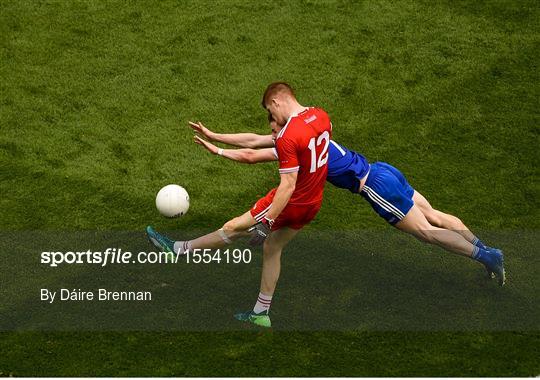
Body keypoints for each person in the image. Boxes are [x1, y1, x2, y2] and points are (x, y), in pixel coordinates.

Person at [189, 118, 506, 286]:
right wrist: (216, 135)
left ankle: (486, 256)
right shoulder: (308, 133)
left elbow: (251, 153)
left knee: (425, 231)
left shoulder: (295, 147)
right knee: (434, 215)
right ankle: (485, 249)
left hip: (376, 187)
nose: (273, 129)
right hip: (383, 170)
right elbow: (254, 140)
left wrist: (217, 150)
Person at [147, 82, 334, 327]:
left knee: (233, 228)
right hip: (313, 202)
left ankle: (177, 250)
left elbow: (287, 185)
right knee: (272, 248)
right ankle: (261, 313)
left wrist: (266, 223)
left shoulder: (289, 135)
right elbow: (256, 143)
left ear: (276, 101)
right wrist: (215, 138)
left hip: (290, 201)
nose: (272, 116)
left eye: (270, 109)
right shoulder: (321, 116)